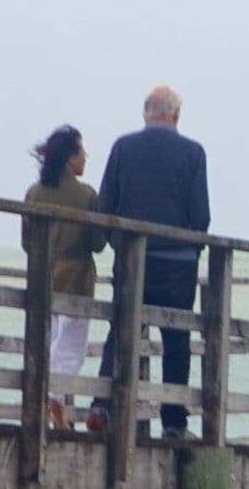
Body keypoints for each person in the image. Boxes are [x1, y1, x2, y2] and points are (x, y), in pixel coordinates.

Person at [93, 83, 213, 429]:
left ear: (145, 114)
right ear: (176, 114)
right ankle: (173, 421)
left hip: (133, 260)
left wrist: (120, 246)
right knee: (176, 340)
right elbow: (200, 214)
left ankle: (103, 405)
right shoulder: (193, 153)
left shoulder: (123, 147)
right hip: (178, 263)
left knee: (121, 331)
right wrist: (192, 249)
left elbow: (106, 206)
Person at [19, 125, 104, 430]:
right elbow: (98, 243)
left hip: (43, 278)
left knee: (48, 342)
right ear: (70, 158)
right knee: (71, 350)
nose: (85, 157)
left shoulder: (34, 192)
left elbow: (27, 242)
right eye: (81, 152)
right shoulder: (87, 195)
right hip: (76, 280)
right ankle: (50, 396)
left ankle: (52, 406)